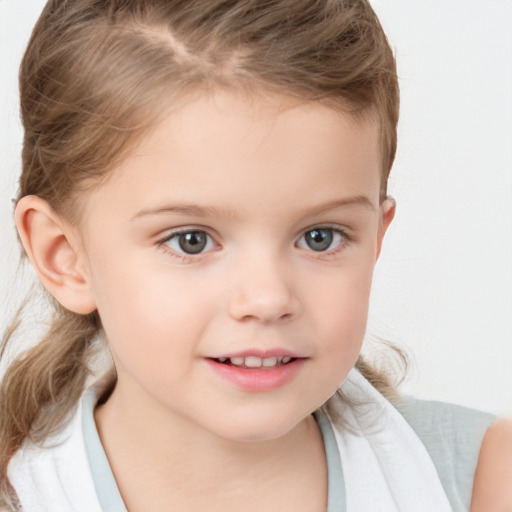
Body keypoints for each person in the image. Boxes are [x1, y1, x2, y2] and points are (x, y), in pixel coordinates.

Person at [0, 1, 510, 511]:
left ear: (376, 236)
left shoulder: (482, 478)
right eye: (191, 240)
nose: (267, 299)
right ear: (64, 254)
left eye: (320, 237)